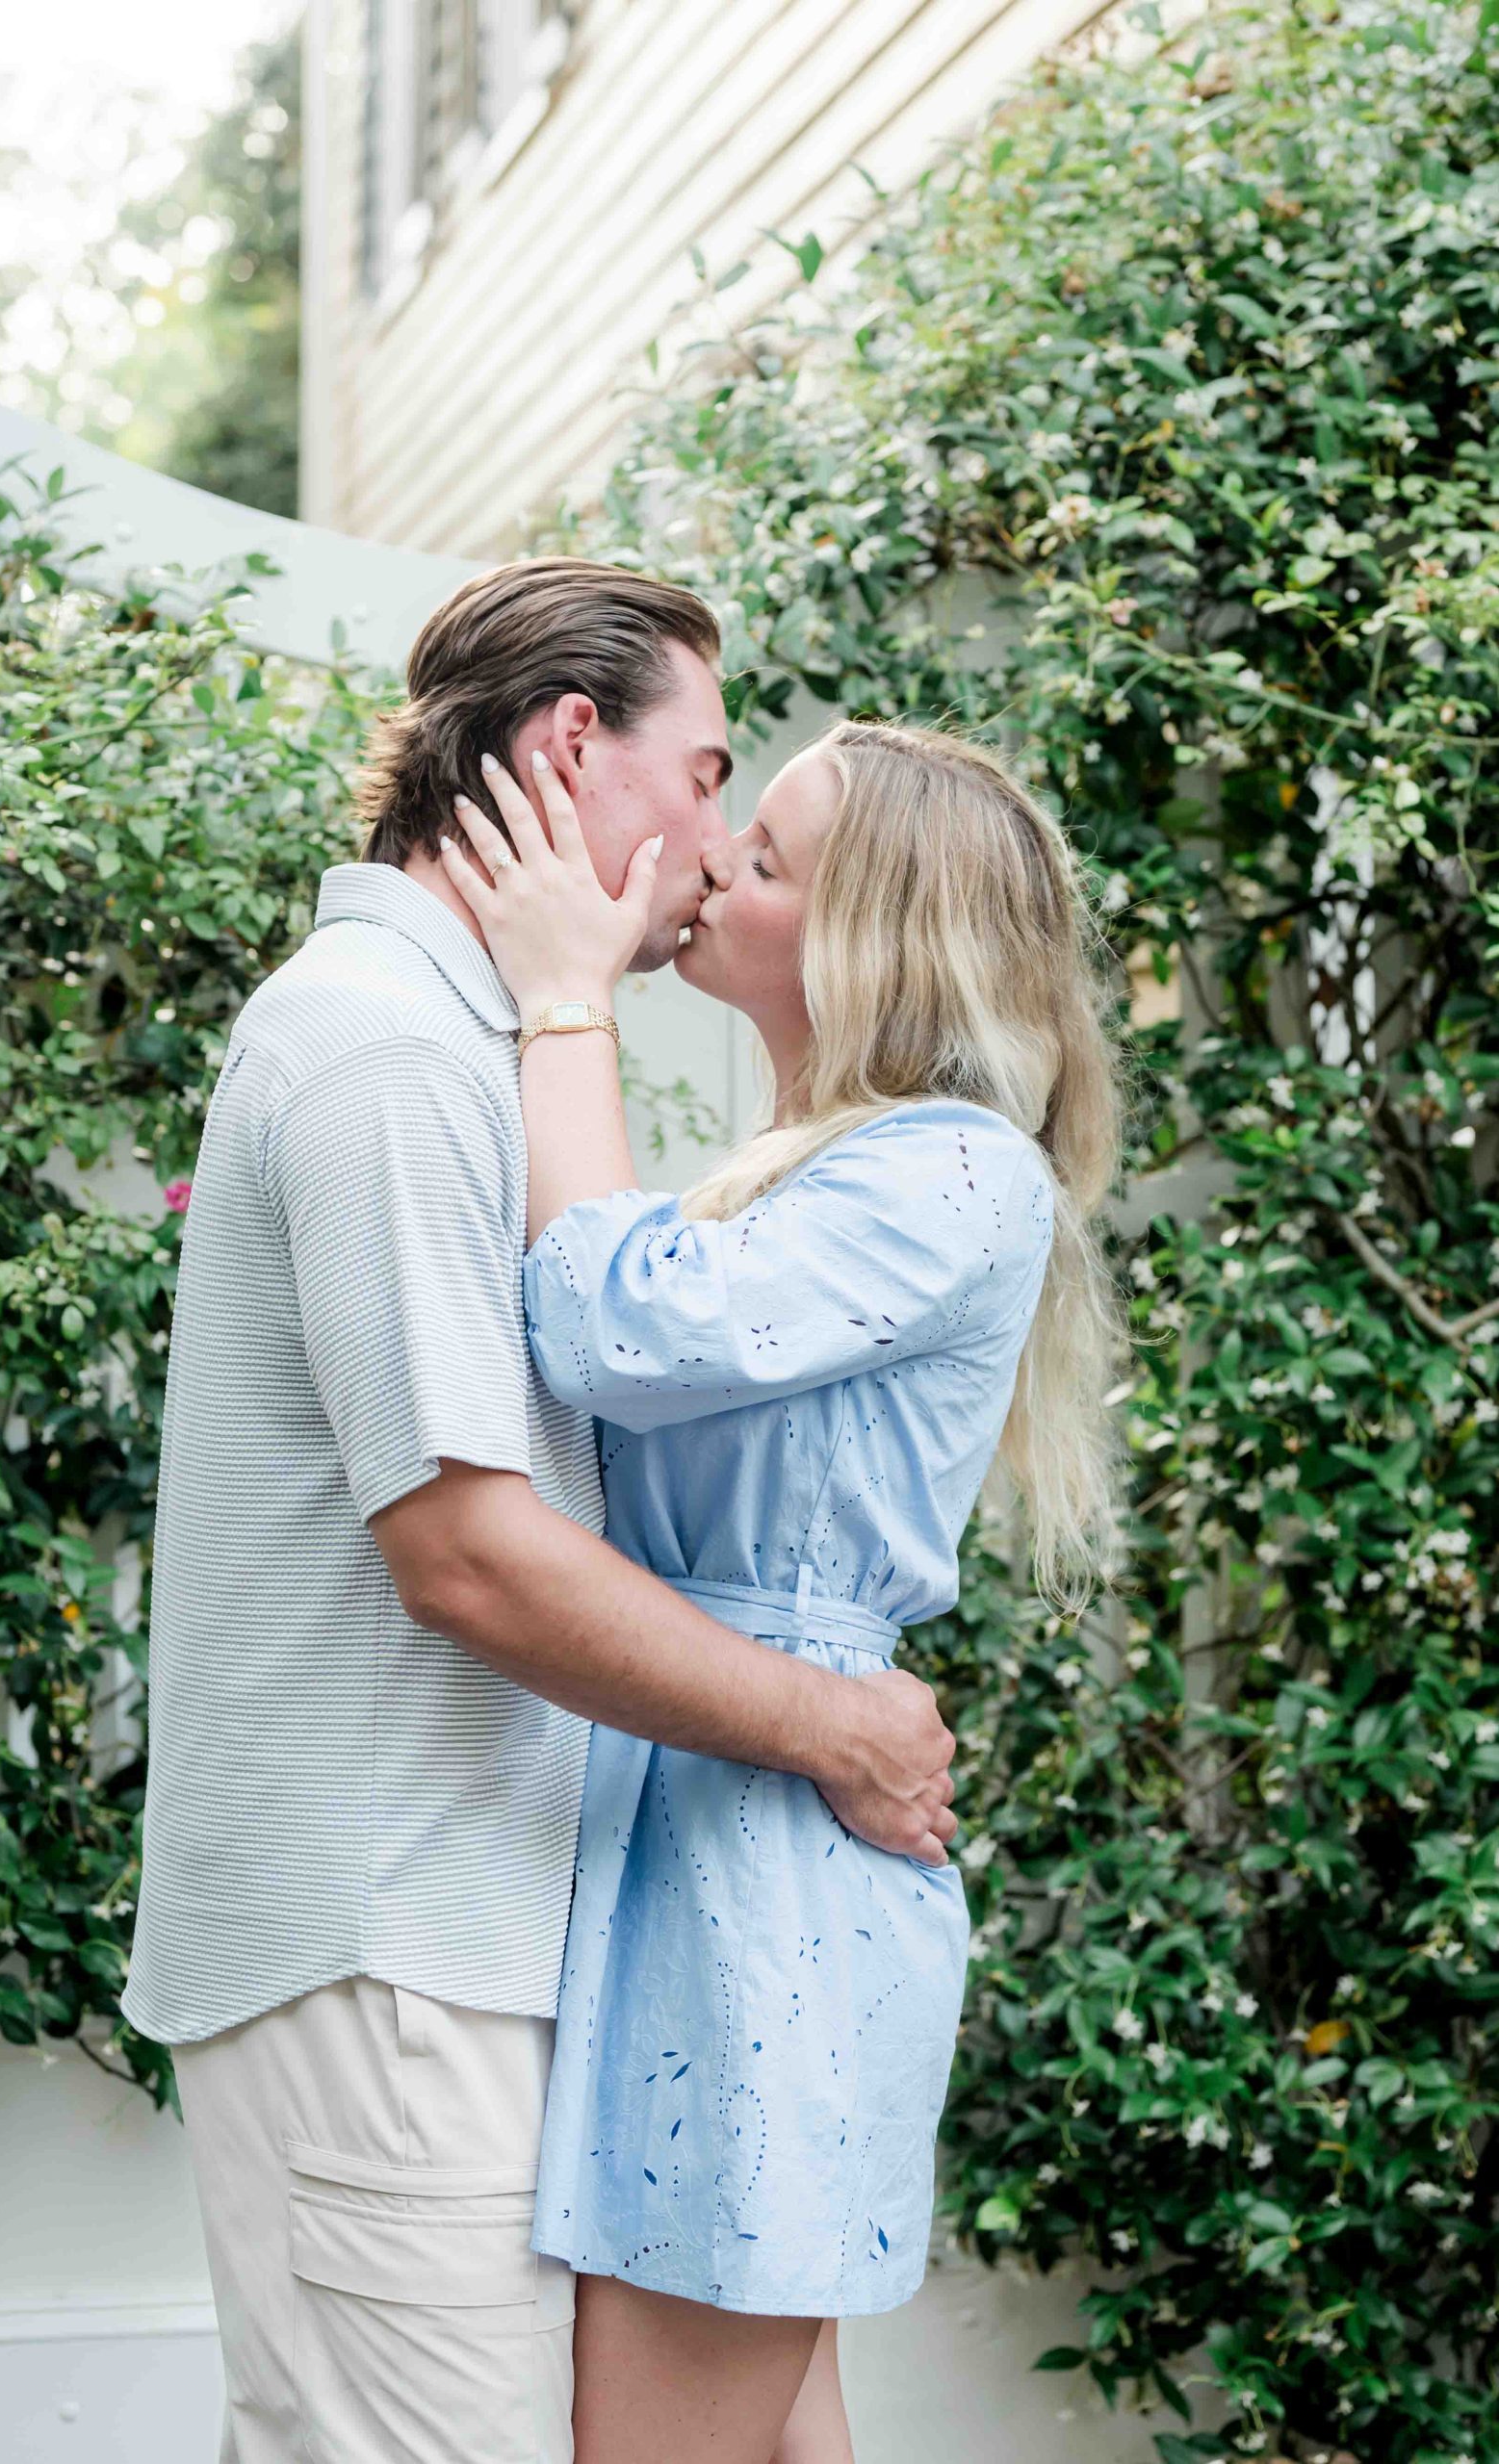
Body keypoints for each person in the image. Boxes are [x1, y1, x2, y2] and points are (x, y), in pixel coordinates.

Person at [119, 561, 961, 2464]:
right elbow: (467, 1549)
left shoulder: (473, 1039)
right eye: (706, 765)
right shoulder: (385, 1045)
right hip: (382, 1947)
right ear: (574, 743)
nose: (720, 831)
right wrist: (832, 1719)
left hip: (474, 1939)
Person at [436, 716, 1124, 2464]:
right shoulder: (818, 1174)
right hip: (705, 1805)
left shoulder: (958, 1171)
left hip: (764, 1859)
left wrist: (563, 999)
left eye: (767, 856)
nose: (714, 856)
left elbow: (610, 1325)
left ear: (873, 933)